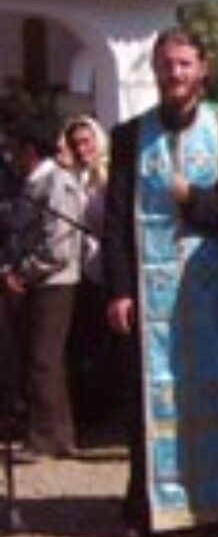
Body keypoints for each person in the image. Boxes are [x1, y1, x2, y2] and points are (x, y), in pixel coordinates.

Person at [103, 27, 218, 537]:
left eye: (185, 64)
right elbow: (116, 219)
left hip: (211, 291)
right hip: (148, 293)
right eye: (167, 64)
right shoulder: (128, 135)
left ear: (202, 69)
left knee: (216, 393)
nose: (176, 74)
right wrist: (119, 289)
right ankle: (145, 507)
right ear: (156, 69)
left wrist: (196, 199)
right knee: (150, 397)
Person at [0, 117, 83, 459]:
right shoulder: (32, 183)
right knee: (43, 359)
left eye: (15, 149)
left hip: (53, 283)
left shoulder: (56, 184)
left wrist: (23, 274)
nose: (10, 157)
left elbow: (58, 247)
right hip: (36, 282)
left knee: (43, 359)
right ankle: (58, 435)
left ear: (30, 150)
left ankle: (45, 437)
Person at [62, 116, 113, 434]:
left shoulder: (106, 178)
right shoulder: (70, 178)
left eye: (86, 141)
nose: (82, 149)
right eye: (75, 143)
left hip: (102, 269)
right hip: (77, 270)